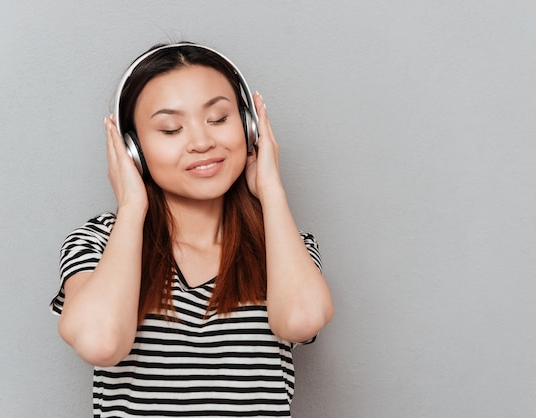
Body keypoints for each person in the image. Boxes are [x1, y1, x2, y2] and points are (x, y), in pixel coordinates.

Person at [49, 42, 334, 417]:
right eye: (170, 129)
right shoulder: (98, 243)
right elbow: (100, 343)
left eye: (218, 119)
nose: (202, 142)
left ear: (250, 128)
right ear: (133, 149)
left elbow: (300, 321)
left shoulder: (283, 243)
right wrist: (132, 207)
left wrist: (271, 190)